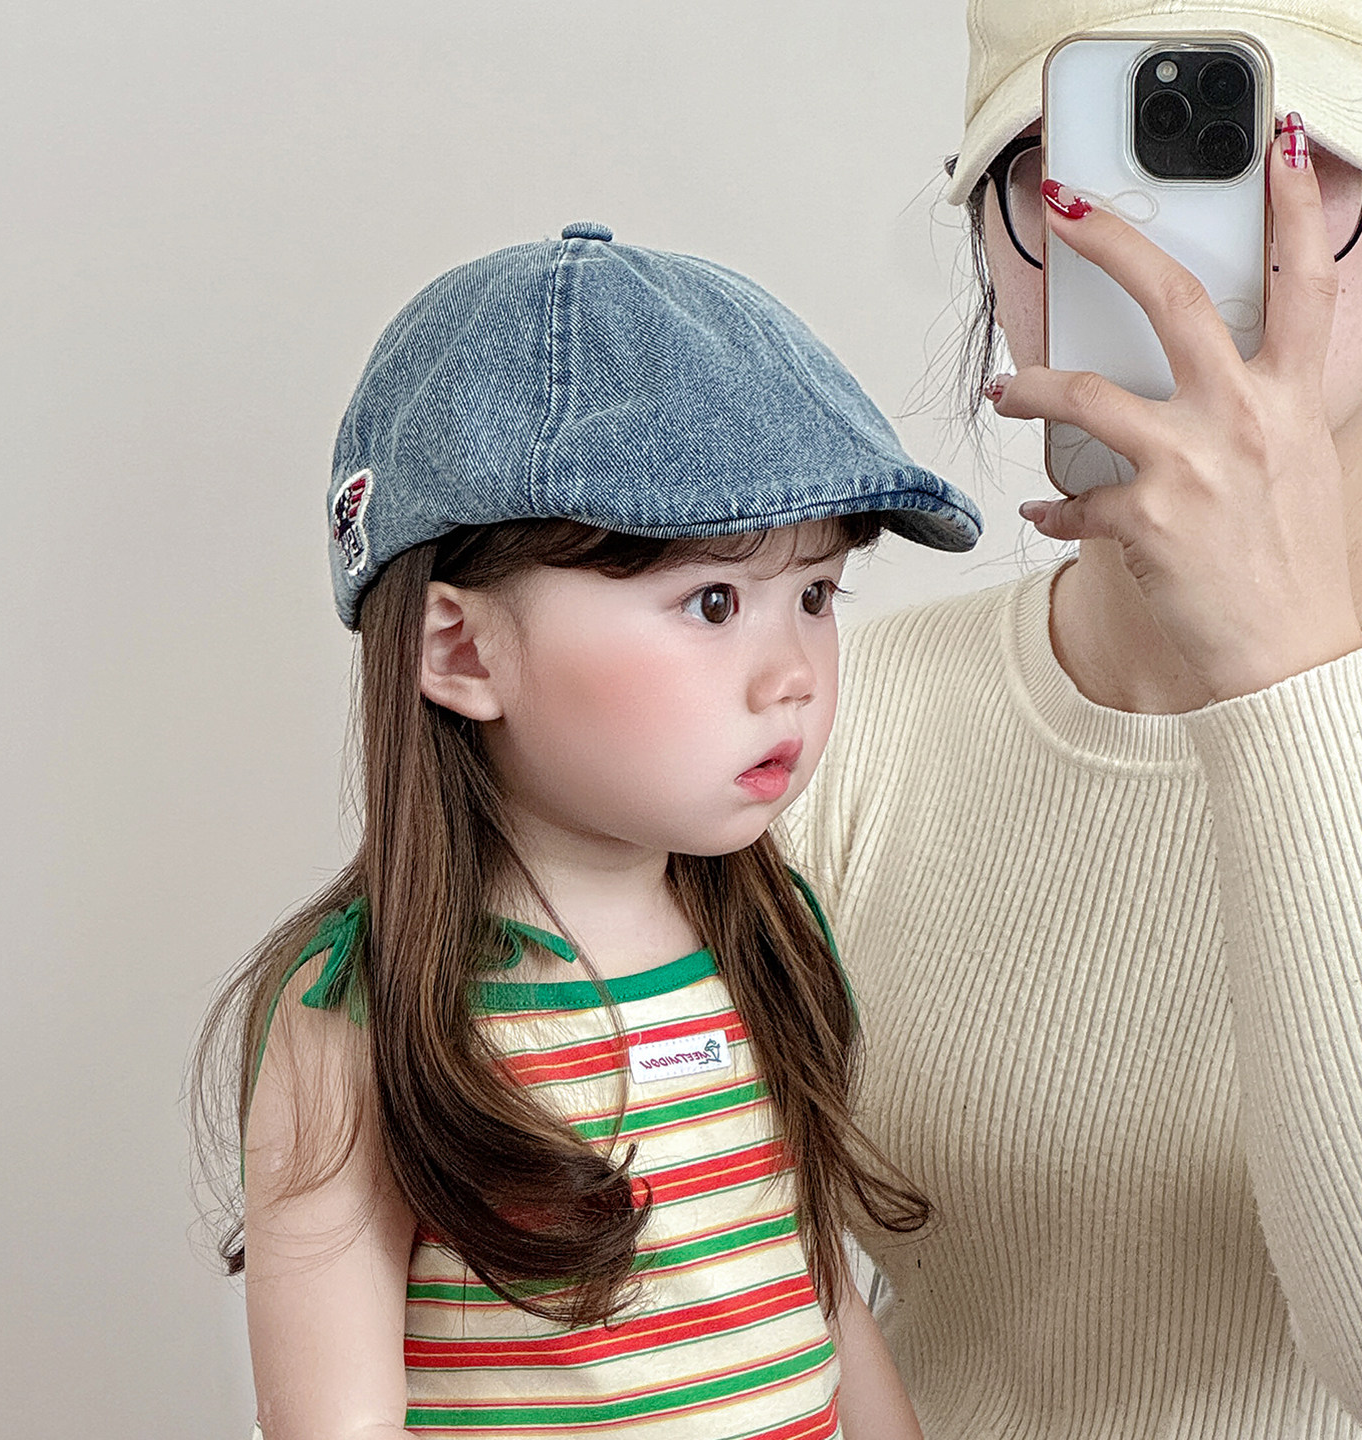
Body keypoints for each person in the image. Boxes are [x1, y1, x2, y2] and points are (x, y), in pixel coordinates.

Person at [193, 221, 985, 1439]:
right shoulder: (359, 1015)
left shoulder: (771, 940)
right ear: (457, 648)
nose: (795, 676)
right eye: (712, 601)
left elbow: (822, 1306)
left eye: (816, 595)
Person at [786, 2, 1362, 1436]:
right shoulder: (829, 723)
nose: (1160, 250)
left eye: (1275, 155)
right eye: (1079, 170)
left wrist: (1287, 674)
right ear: (989, 233)